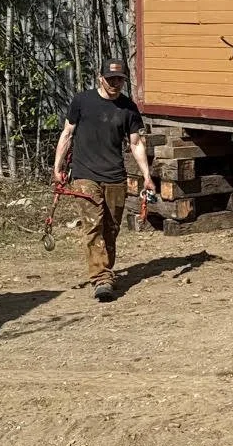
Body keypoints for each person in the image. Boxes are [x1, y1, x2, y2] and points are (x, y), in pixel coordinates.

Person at [53, 57, 156, 302]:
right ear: (100, 78)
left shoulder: (128, 108)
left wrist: (146, 176)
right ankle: (101, 279)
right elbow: (67, 134)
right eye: (111, 79)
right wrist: (58, 166)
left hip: (114, 176)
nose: (115, 83)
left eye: (119, 79)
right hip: (84, 174)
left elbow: (135, 143)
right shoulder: (82, 101)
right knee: (93, 224)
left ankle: (105, 271)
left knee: (111, 228)